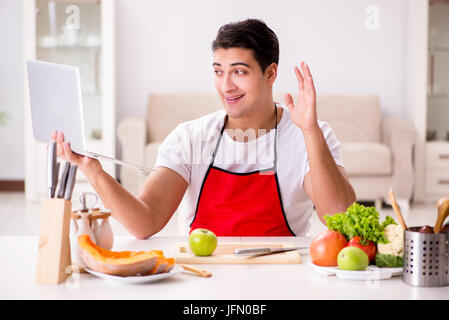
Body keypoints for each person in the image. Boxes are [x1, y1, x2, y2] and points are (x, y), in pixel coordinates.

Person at [54, 19, 356, 238]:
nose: (226, 86)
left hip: (280, 273)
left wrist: (311, 132)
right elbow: (144, 222)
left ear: (270, 73)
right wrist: (93, 170)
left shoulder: (308, 135)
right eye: (218, 72)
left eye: (239, 71)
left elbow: (341, 217)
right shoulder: (190, 137)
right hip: (203, 273)